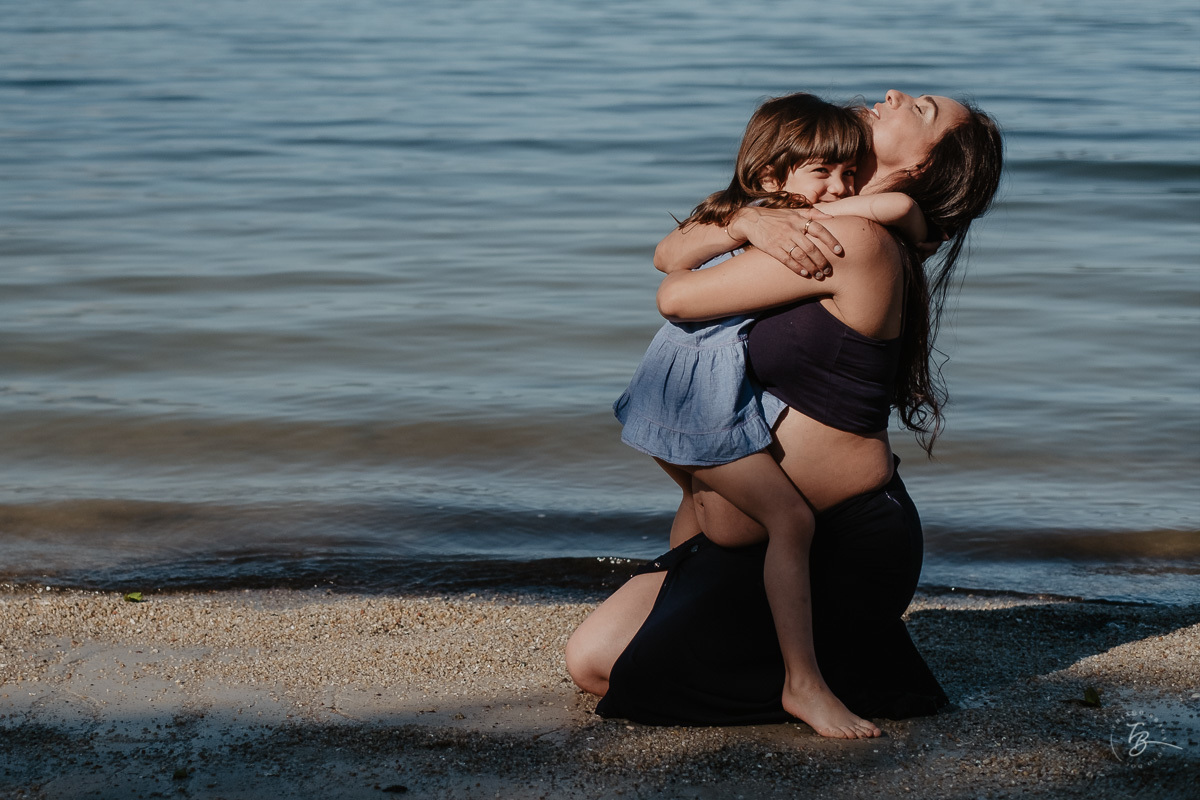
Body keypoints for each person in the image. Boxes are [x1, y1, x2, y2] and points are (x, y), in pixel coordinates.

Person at [566, 89, 1003, 734]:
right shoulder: (820, 216)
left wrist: (756, 223)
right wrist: (749, 221)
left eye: (922, 110)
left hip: (840, 540)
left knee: (631, 676)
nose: (893, 95)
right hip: (759, 542)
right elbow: (669, 250)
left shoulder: (855, 236)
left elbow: (677, 291)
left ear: (919, 165)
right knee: (591, 660)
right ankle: (841, 654)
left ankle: (830, 669)